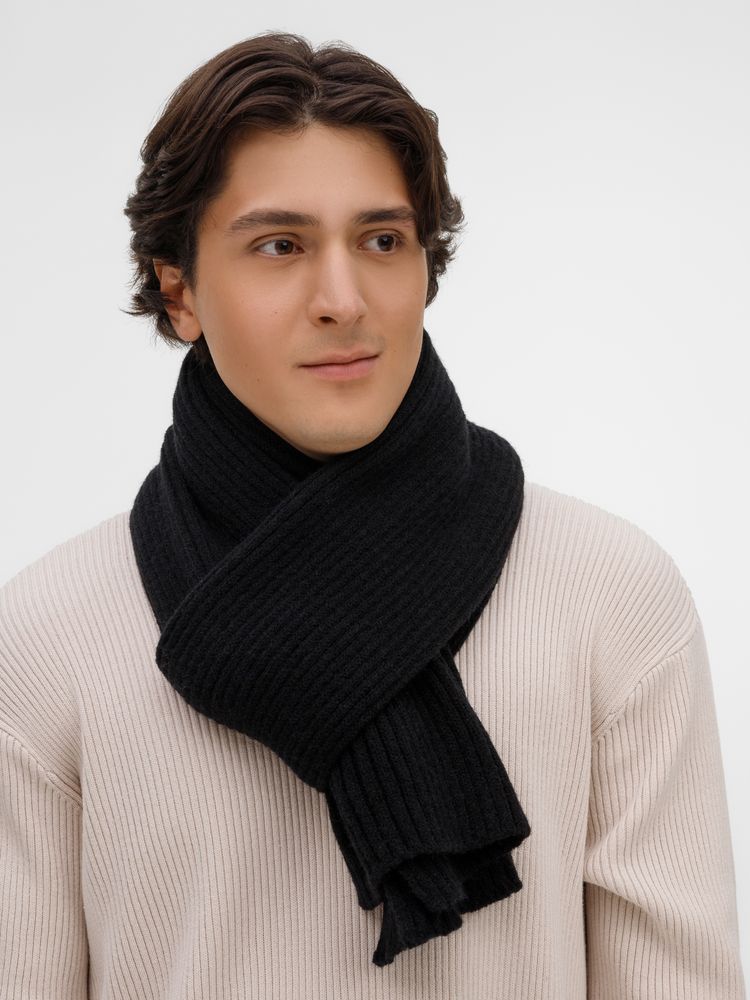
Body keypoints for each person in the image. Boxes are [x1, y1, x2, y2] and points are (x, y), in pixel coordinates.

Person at [0, 29, 745, 999]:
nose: (343, 300)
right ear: (179, 291)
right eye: (280, 246)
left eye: (383, 241)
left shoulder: (609, 597)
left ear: (426, 267)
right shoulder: (49, 637)